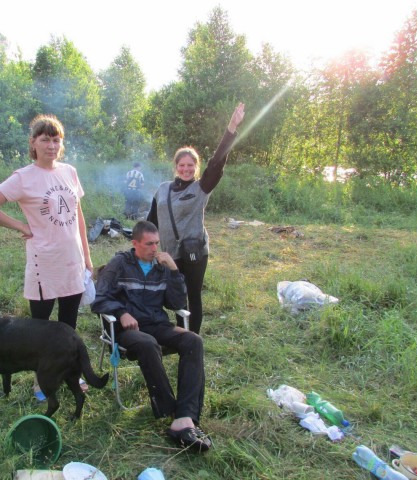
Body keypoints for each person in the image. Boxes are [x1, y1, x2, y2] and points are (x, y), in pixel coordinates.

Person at [0, 113, 93, 400]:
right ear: (33, 143)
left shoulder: (69, 172)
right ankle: (41, 381)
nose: (51, 145)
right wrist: (20, 225)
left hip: (71, 261)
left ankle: (69, 375)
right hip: (44, 263)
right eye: (45, 140)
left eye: (56, 140)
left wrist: (87, 258)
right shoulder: (23, 177)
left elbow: (78, 215)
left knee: (68, 326)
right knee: (38, 330)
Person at [91, 220, 211, 452]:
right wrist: (121, 312)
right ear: (135, 243)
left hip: (157, 324)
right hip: (128, 331)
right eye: (149, 244)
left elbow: (177, 304)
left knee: (193, 340)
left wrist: (175, 272)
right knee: (148, 343)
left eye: (157, 243)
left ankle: (185, 416)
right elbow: (98, 298)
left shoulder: (162, 267)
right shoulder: (119, 264)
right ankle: (170, 410)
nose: (155, 249)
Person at [147, 102, 245, 334]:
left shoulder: (201, 188)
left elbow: (217, 162)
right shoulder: (162, 189)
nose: (186, 169)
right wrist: (141, 245)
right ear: (176, 167)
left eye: (190, 165)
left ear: (196, 167)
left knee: (192, 295)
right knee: (174, 296)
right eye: (182, 165)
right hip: (169, 252)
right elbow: (151, 220)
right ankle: (181, 334)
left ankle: (192, 339)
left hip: (194, 253)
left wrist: (231, 128)